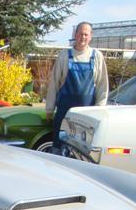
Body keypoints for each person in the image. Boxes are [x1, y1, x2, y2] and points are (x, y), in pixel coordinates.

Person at [45, 22, 109, 154]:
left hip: (87, 117)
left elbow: (103, 86)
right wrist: (49, 109)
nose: (83, 37)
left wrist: (99, 111)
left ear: (91, 36)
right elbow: (54, 83)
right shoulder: (64, 55)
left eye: (86, 34)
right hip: (64, 114)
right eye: (80, 33)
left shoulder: (97, 56)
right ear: (75, 35)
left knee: (83, 153)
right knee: (59, 151)